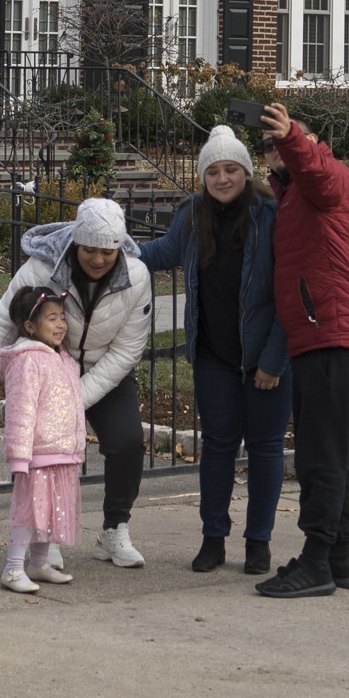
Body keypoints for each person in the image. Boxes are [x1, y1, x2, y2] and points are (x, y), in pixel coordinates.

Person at [0, 195, 154, 568]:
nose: (99, 259)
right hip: (47, 370)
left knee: (127, 444)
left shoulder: (137, 278)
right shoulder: (41, 268)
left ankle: (114, 529)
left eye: (108, 251)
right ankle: (44, 539)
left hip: (105, 370)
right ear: (75, 243)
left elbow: (127, 350)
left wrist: (73, 399)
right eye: (89, 250)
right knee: (44, 460)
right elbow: (3, 320)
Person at [139, 125, 289, 574]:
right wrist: (101, 243)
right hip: (212, 356)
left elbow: (289, 293)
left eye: (231, 169)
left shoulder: (271, 214)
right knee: (219, 448)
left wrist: (273, 361)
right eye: (213, 171)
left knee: (265, 448)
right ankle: (213, 538)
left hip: (266, 359)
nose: (222, 179)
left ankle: (258, 541)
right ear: (203, 176)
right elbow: (160, 254)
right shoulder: (191, 214)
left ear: (246, 171)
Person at [257, 101, 349, 601]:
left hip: (336, 337)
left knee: (320, 458)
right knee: (330, 454)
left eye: (283, 141)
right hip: (323, 338)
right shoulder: (293, 197)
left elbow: (316, 170)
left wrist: (292, 138)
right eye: (267, 145)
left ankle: (315, 562)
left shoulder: (329, 179)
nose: (275, 149)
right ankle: (337, 556)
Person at [0, 286, 86, 593]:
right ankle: (12, 567)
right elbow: (21, 410)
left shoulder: (64, 360)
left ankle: (38, 563)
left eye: (62, 317)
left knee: (50, 510)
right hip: (37, 453)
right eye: (52, 318)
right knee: (29, 510)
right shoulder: (28, 361)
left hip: (61, 451)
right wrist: (19, 455)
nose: (60, 324)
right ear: (30, 326)